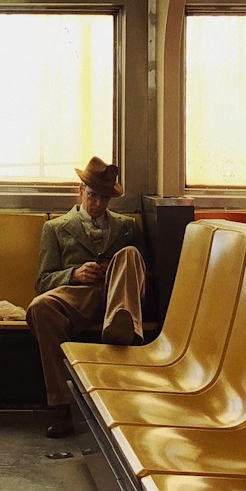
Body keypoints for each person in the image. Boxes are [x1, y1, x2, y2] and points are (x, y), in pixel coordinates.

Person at [26, 157, 149, 437]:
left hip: (120, 290)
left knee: (129, 255)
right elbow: (43, 281)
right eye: (93, 195)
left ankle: (121, 324)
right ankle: (61, 406)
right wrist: (74, 274)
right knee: (40, 307)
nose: (97, 204)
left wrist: (117, 270)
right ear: (79, 191)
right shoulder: (56, 228)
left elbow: (146, 274)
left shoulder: (128, 227)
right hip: (79, 296)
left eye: (104, 198)